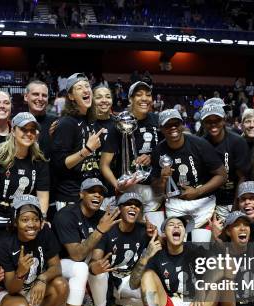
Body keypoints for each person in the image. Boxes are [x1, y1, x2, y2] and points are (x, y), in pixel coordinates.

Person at [129, 215, 219, 306]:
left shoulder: (195, 250)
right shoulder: (157, 255)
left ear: (184, 232)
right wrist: (145, 257)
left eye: (180, 225)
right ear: (164, 232)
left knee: (216, 279)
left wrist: (202, 289)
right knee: (147, 275)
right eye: (171, 224)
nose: (176, 226)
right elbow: (133, 284)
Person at [52, 178, 120, 306]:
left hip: (80, 265)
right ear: (81, 194)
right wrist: (99, 231)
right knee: (81, 267)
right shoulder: (66, 215)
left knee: (100, 271)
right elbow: (75, 255)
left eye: (101, 192)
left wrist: (95, 267)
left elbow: (96, 253)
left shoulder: (102, 217)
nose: (97, 194)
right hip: (57, 266)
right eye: (92, 191)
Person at [0, 194, 68, 306]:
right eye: (25, 220)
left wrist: (43, 278)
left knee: (62, 285)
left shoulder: (45, 233)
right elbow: (12, 288)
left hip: (31, 286)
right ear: (15, 222)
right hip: (8, 291)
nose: (31, 224)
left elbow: (56, 267)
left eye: (35, 219)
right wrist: (21, 271)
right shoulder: (4, 243)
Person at [0, 112, 50, 237]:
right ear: (13, 131)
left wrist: (42, 217)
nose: (29, 133)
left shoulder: (40, 161)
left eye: (32, 130)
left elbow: (42, 196)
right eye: (24, 129)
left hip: (22, 221)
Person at [89, 192, 154, 306]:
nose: (133, 207)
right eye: (129, 204)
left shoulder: (144, 230)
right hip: (107, 281)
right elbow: (94, 262)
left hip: (128, 280)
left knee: (153, 293)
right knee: (98, 272)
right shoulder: (108, 230)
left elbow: (161, 250)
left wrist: (155, 236)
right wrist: (95, 267)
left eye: (137, 205)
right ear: (119, 209)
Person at [150, 109, 227, 229]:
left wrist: (198, 191)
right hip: (175, 203)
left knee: (202, 243)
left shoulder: (200, 144)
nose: (173, 128)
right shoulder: (158, 151)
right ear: (161, 128)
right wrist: (163, 179)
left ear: (182, 125)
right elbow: (156, 190)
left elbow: (222, 175)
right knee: (177, 244)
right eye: (168, 125)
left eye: (176, 124)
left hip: (203, 201)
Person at [101, 81, 162, 213]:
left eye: (148, 95)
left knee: (155, 231)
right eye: (139, 95)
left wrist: (152, 157)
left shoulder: (158, 120)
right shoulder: (119, 124)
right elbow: (104, 164)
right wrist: (118, 186)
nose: (145, 98)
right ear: (130, 99)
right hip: (128, 190)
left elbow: (168, 150)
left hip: (154, 189)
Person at [50, 73, 105, 208]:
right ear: (71, 96)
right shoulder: (66, 123)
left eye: (87, 86)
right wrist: (87, 150)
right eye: (79, 87)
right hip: (71, 197)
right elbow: (61, 165)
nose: (86, 90)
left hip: (90, 195)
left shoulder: (91, 121)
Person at [200, 102, 250, 221]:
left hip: (233, 199)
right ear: (203, 123)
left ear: (224, 120)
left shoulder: (238, 142)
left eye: (217, 120)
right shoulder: (200, 144)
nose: (213, 124)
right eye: (208, 121)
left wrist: (236, 206)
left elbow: (242, 177)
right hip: (209, 201)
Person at [23, 80, 57, 157]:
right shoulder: (18, 124)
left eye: (44, 95)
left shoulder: (56, 123)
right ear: (26, 97)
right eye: (35, 94)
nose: (40, 98)